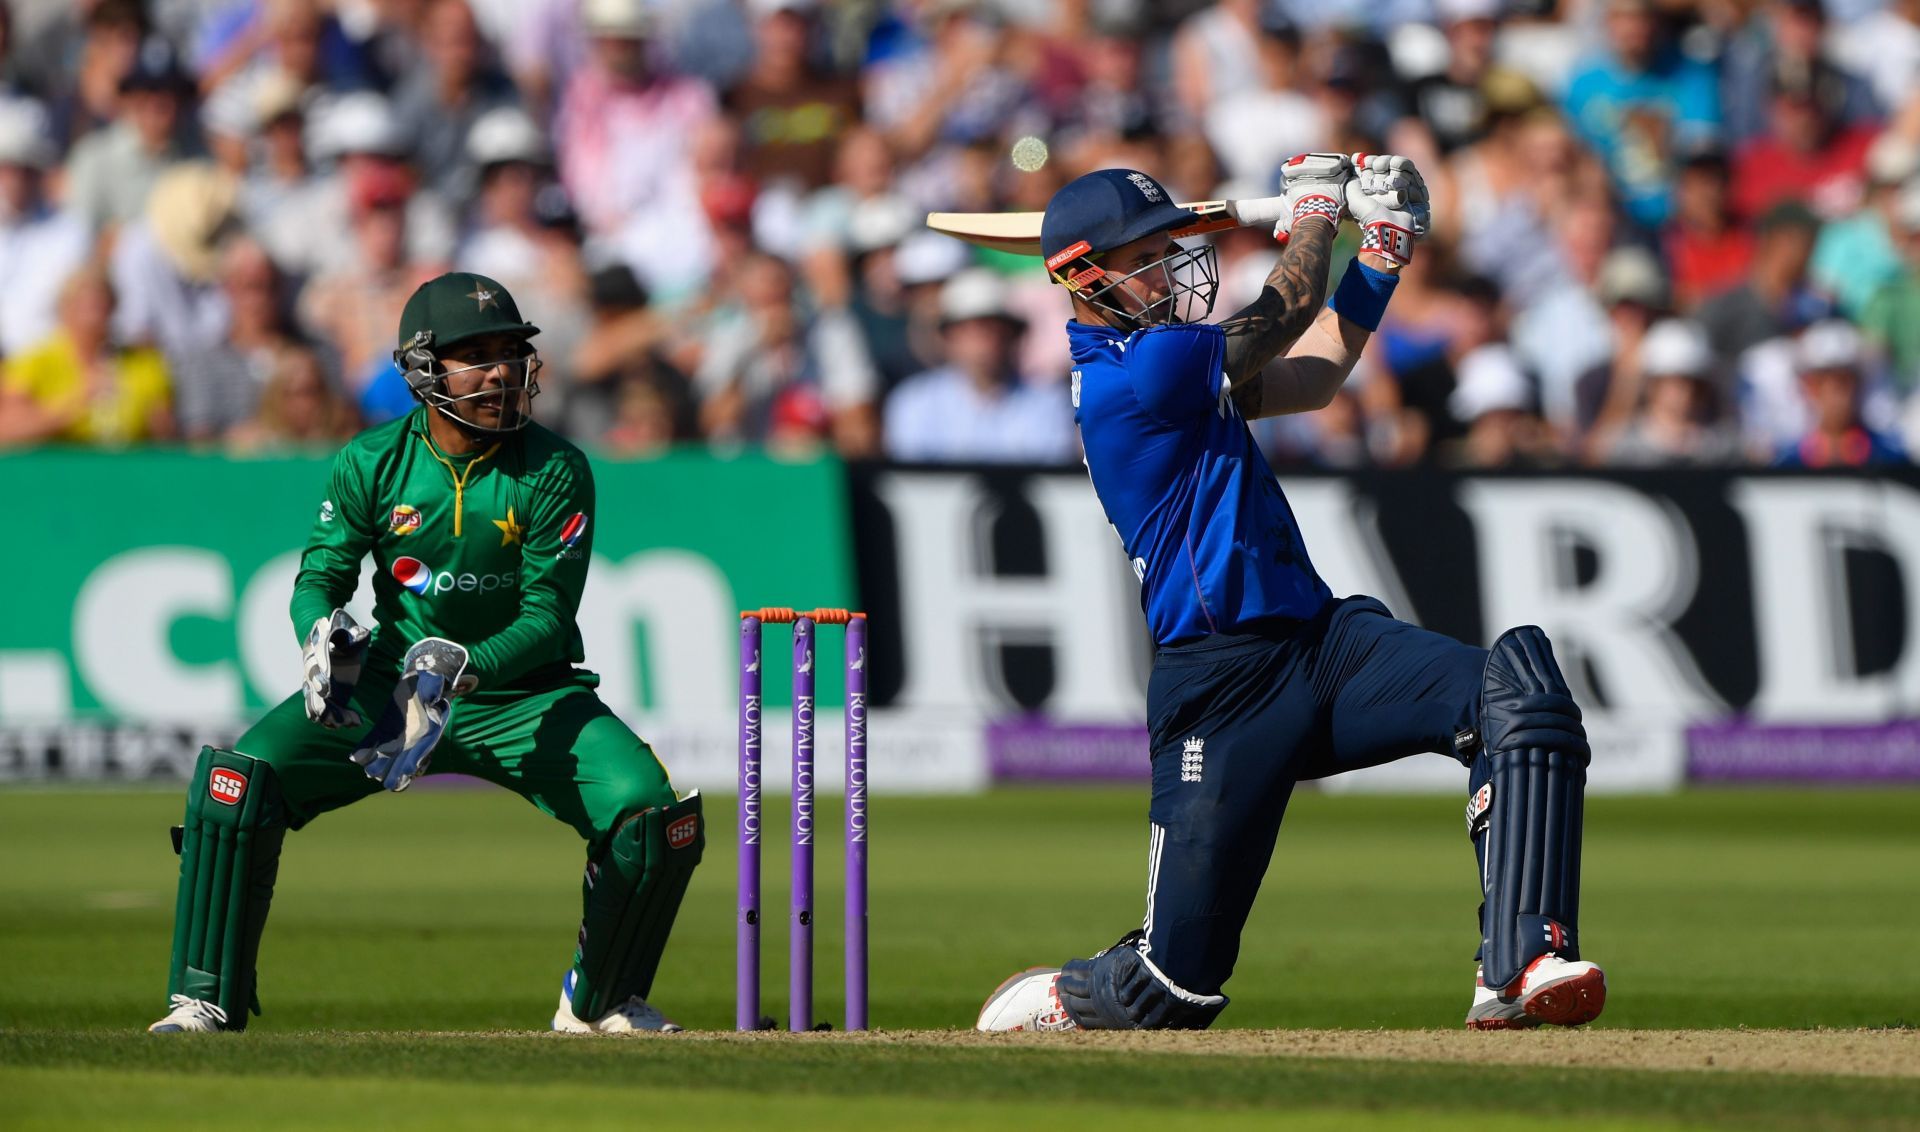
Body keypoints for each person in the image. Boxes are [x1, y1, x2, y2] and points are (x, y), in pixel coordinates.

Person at [974, 157, 1605, 1034]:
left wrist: (1380, 252)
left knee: (1519, 688)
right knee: (1173, 991)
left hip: (1323, 645)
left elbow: (1313, 376)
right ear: (1083, 277)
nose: (1172, 270)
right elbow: (1283, 313)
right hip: (1219, 686)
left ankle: (1520, 962)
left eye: (1171, 248)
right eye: (1147, 257)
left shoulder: (1173, 364)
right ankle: (1067, 994)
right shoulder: (1132, 374)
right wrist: (1314, 214)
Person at [147, 272, 705, 1035]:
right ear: (423, 368)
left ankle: (600, 1000)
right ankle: (202, 996)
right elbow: (320, 578)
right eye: (475, 355)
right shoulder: (371, 461)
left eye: (510, 352)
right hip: (388, 690)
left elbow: (547, 616)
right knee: (238, 784)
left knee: (650, 810)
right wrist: (320, 635)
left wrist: (463, 669)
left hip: (522, 696)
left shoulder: (557, 468)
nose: (501, 372)